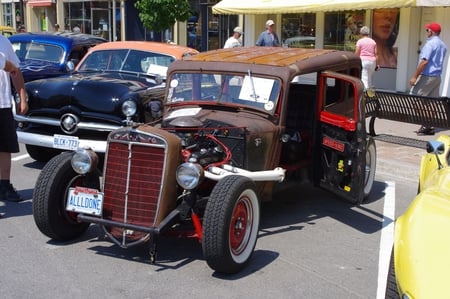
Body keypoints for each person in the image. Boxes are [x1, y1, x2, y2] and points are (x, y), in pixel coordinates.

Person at [0, 35, 28, 202]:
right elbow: (6, 65)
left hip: (2, 103)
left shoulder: (3, 41)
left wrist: (22, 97)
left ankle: (4, 185)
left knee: (5, 146)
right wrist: (9, 66)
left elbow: (16, 71)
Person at [410, 22, 447, 135]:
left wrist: (414, 76)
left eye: (427, 30)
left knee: (415, 97)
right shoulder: (443, 45)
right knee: (432, 102)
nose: (426, 32)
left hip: (427, 77)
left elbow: (424, 61)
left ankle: (426, 123)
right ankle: (429, 125)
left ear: (431, 32)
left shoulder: (430, 44)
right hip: (437, 77)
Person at [355, 26, 379, 90]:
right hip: (372, 62)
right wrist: (377, 65)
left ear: (361, 33)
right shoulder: (373, 42)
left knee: (364, 79)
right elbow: (376, 54)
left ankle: (364, 96)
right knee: (369, 79)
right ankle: (370, 96)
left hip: (363, 61)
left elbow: (357, 53)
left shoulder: (360, 41)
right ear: (368, 33)